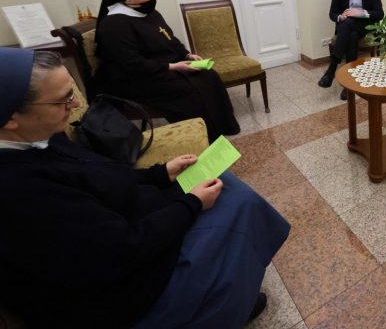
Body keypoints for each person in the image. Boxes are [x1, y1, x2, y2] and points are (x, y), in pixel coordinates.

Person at [0, 48, 290, 328]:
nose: (76, 105)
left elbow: (103, 175)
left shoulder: (41, 135)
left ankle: (236, 293)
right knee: (236, 205)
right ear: (11, 117)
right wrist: (191, 204)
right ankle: (228, 304)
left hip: (127, 222)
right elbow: (121, 250)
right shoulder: (20, 190)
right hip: (120, 294)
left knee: (223, 182)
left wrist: (160, 174)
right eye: (63, 99)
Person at [94, 0, 239, 142]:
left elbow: (170, 39)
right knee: (189, 89)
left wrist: (187, 55)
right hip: (136, 79)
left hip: (161, 67)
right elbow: (131, 64)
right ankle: (201, 139)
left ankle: (223, 127)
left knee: (209, 75)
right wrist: (172, 67)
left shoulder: (150, 12)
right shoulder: (113, 24)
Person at [317, 0, 384, 100]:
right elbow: (332, 13)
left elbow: (379, 14)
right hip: (347, 25)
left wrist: (360, 13)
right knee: (351, 34)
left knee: (348, 26)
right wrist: (340, 17)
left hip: (366, 24)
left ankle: (332, 69)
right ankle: (349, 84)